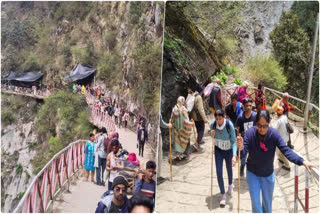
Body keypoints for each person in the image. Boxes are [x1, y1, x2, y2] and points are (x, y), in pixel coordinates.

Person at [236, 110, 314, 213]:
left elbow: (286, 150)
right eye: (259, 125)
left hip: (268, 174)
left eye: (265, 126)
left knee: (268, 206)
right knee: (256, 206)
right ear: (256, 123)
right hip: (252, 174)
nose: (262, 129)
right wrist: (240, 148)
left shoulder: (274, 134)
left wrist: (302, 161)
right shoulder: (250, 133)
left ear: (269, 123)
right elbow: (243, 152)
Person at [210, 109, 237, 207]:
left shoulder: (229, 125)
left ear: (224, 117)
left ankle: (230, 184)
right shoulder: (213, 125)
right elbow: (213, 138)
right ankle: (223, 195)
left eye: (220, 118)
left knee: (229, 168)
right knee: (219, 172)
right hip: (218, 151)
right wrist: (212, 135)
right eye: (216, 119)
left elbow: (234, 142)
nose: (218, 121)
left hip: (228, 151)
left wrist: (234, 155)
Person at [236, 97, 256, 177]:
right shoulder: (240, 117)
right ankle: (242, 167)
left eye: (250, 105)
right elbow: (238, 129)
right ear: (244, 106)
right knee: (243, 157)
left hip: (253, 140)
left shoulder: (255, 116)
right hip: (244, 141)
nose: (248, 107)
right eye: (247, 105)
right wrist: (239, 139)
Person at [272, 106, 291, 171]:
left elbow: (274, 129)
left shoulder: (279, 121)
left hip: (281, 139)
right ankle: (281, 159)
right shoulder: (285, 117)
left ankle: (287, 165)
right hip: (286, 137)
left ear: (277, 113)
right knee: (280, 151)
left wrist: (271, 120)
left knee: (281, 152)